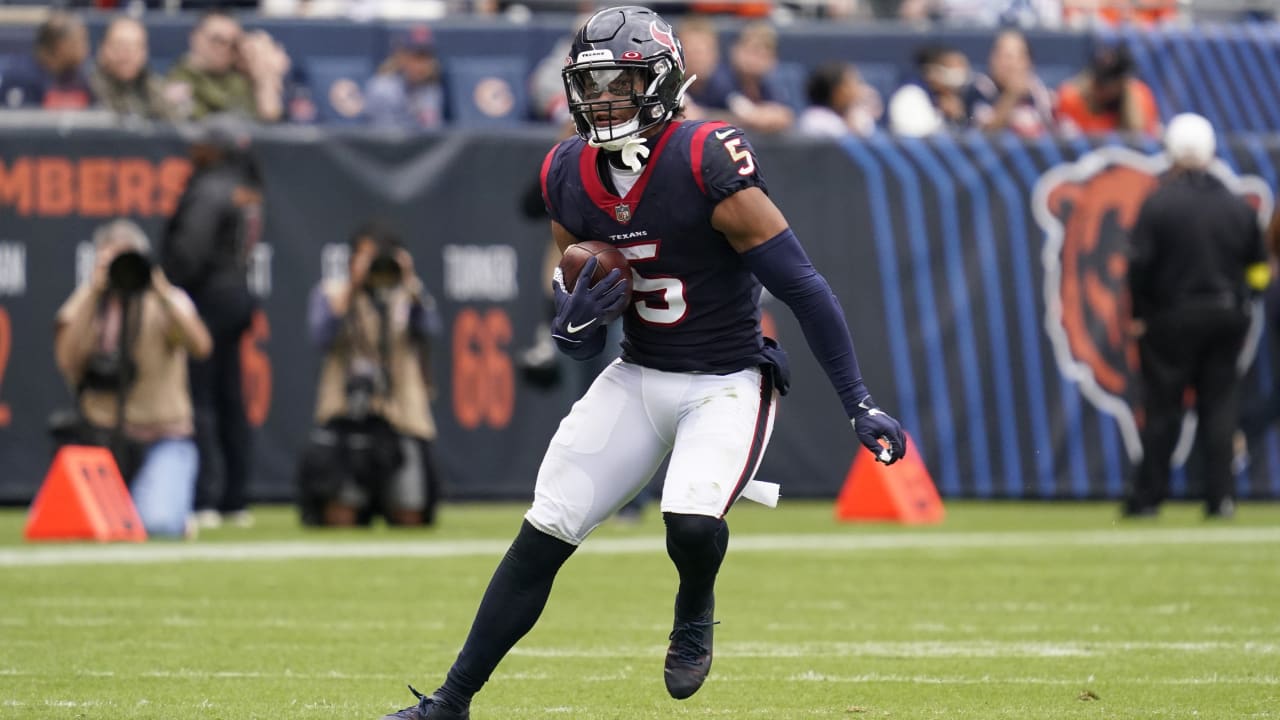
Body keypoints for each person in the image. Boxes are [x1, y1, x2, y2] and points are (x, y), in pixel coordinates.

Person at [376, 7, 905, 719]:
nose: (603, 102)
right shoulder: (566, 168)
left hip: (726, 380)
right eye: (591, 87)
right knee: (546, 529)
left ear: (660, 83)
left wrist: (857, 400)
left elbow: (803, 285)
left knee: (689, 520)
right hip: (640, 371)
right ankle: (452, 700)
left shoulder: (705, 156)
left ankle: (694, 607)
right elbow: (585, 317)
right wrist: (573, 327)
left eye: (620, 85)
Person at [1125, 113, 1269, 520]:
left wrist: (1139, 313)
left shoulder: (1159, 204)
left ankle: (1149, 498)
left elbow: (1140, 267)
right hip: (1226, 316)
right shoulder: (1236, 205)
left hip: (1172, 319)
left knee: (1163, 409)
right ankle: (1221, 498)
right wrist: (1248, 298)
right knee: (1220, 409)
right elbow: (1259, 266)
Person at [52, 219, 212, 538]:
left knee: (157, 524)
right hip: (103, 444)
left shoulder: (167, 300)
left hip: (162, 438)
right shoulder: (88, 303)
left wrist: (159, 289)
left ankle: (172, 511)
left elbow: (201, 346)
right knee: (75, 527)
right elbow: (66, 361)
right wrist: (93, 289)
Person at [300, 223, 442, 527]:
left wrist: (408, 280)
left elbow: (430, 330)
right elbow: (321, 337)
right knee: (340, 515)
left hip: (401, 415)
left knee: (410, 513)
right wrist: (353, 287)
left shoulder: (409, 293)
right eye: (366, 258)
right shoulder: (332, 292)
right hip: (346, 415)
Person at [159, 116, 263, 530]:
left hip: (208, 300)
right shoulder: (246, 188)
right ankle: (234, 498)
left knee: (200, 398)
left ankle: (205, 496)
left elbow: (189, 253)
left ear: (216, 150)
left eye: (201, 144)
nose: (193, 150)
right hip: (238, 294)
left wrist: (169, 285)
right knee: (230, 398)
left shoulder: (210, 188)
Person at [165, 10, 288, 122]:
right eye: (217, 40)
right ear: (195, 38)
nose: (225, 48)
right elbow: (195, 128)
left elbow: (270, 126)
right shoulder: (181, 79)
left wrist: (266, 77)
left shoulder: (241, 78)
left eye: (233, 44)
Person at [1056, 44, 1159, 136]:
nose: (1102, 87)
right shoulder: (1070, 97)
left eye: (1110, 82)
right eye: (1099, 80)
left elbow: (1143, 140)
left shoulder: (1140, 95)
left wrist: (1127, 98)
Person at [89, 15, 176, 121]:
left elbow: (175, 127)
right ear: (103, 49)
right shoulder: (88, 87)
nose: (126, 55)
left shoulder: (155, 87)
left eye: (134, 47)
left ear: (144, 53)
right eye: (119, 46)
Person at [0, 10, 92, 110]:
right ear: (61, 46)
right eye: (80, 41)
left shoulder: (81, 77)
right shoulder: (18, 78)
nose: (86, 49)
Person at [970, 29, 1054, 137]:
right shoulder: (980, 88)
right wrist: (1012, 94)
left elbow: (1053, 133)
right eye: (1000, 56)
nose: (1005, 63)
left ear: (1028, 63)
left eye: (1011, 57)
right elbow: (985, 131)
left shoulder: (1037, 90)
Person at [363, 25, 445, 129]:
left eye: (427, 57)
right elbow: (380, 137)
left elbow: (435, 134)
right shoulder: (381, 88)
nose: (422, 65)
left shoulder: (432, 91)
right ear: (401, 57)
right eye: (416, 57)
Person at [887, 44, 974, 134]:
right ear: (932, 72)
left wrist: (958, 117)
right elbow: (918, 139)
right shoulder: (910, 95)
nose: (960, 76)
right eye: (953, 70)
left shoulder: (962, 97)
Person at [796, 61, 881, 138]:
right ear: (838, 92)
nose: (858, 89)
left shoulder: (857, 117)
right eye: (853, 83)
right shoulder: (815, 120)